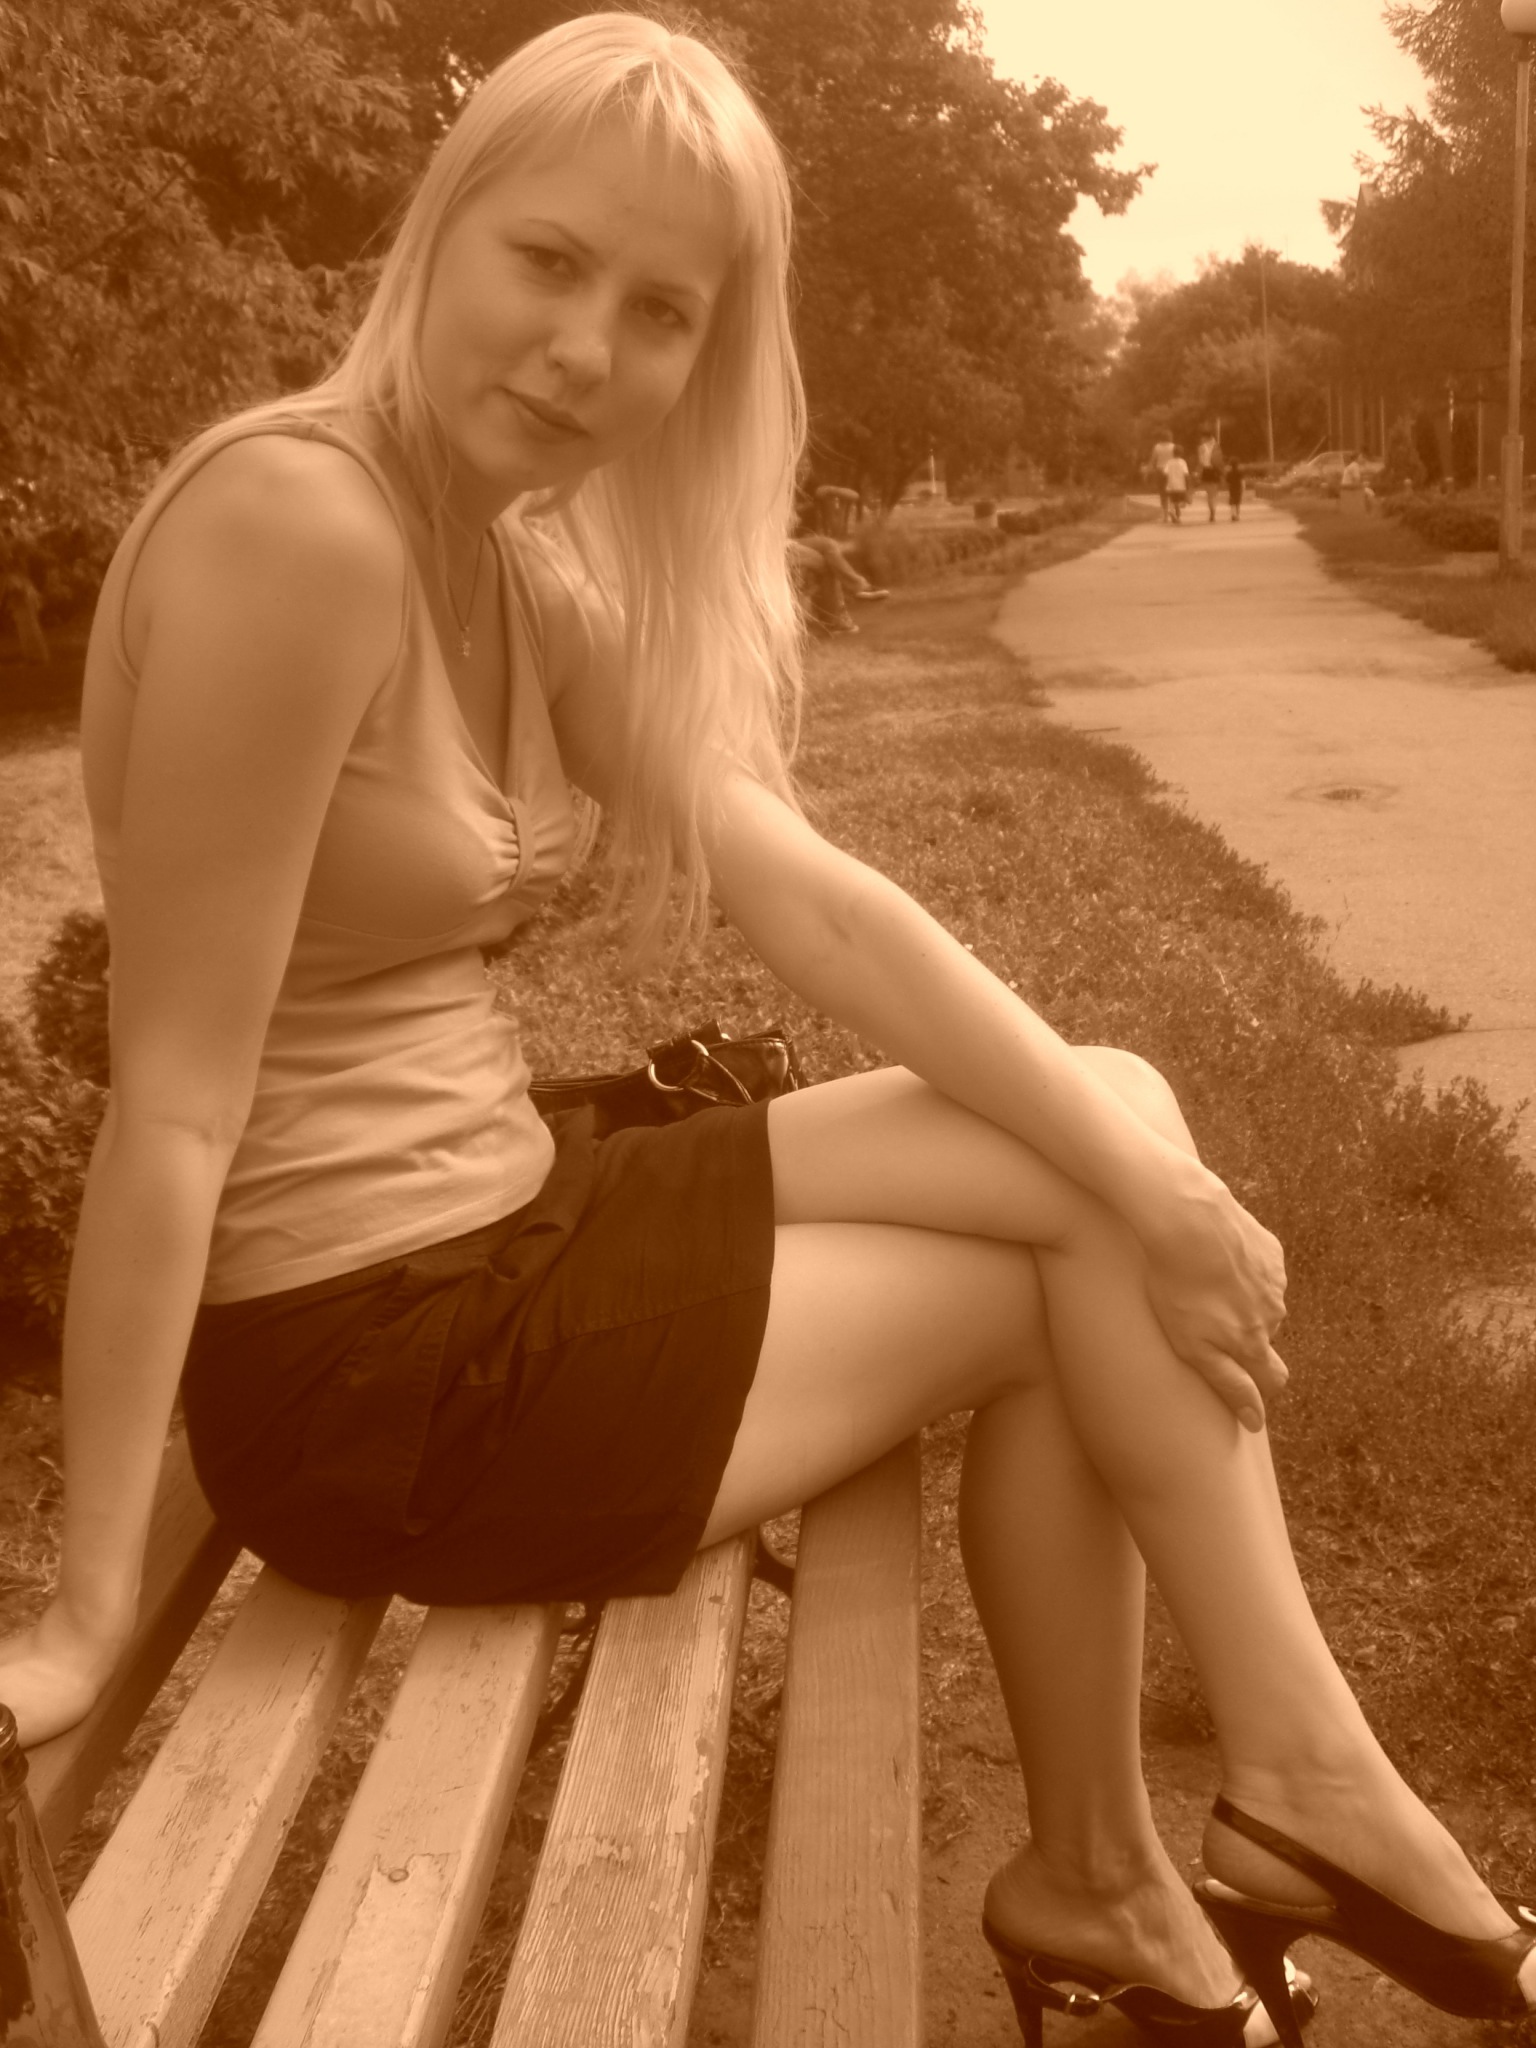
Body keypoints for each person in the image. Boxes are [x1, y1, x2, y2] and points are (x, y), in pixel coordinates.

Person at [2, 17, 1531, 2048]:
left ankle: (1200, 1828)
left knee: (1118, 1121)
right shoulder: (301, 526)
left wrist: (1155, 1183)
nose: (586, 348)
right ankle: (1246, 1816)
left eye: (659, 311)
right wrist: (88, 1609)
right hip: (378, 1373)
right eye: (550, 261)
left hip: (510, 1219)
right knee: (1079, 1269)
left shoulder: (506, 562)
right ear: (443, 226)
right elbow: (179, 1107)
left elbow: (812, 899)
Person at [1149, 432, 1175, 523]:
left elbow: (1153, 460)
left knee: (1162, 493)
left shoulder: (1157, 447)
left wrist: (1149, 469)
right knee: (1172, 491)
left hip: (1160, 471)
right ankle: (1172, 509)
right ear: (1170, 437)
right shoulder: (1173, 447)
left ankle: (1165, 515)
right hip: (1171, 471)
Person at [1197, 433, 1223, 523]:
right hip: (1215, 471)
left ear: (1205, 438)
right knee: (1214, 494)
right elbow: (1220, 461)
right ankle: (1213, 511)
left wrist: (1198, 473)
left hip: (1206, 471)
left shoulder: (1201, 447)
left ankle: (1211, 511)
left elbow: (1201, 462)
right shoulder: (1217, 446)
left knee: (1209, 494)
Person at [1164, 445, 1191, 523]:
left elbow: (1165, 473)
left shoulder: (1169, 462)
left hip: (1171, 485)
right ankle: (1175, 514)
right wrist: (1188, 484)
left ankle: (1173, 513)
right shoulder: (1182, 462)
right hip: (1181, 485)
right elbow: (1186, 474)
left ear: (1173, 453)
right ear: (1181, 453)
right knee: (1181, 502)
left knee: (1173, 500)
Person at [1226, 457, 1246, 522]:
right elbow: (1242, 481)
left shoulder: (1229, 473)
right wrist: (1243, 488)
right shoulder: (1240, 472)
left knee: (1232, 502)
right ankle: (1237, 515)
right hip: (1238, 488)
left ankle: (1233, 514)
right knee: (1237, 502)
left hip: (1231, 488)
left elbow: (1227, 481)